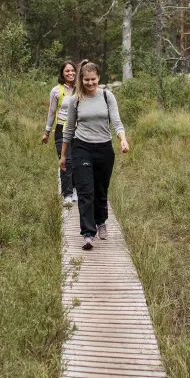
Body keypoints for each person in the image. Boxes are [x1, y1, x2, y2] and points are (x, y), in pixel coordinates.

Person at [60, 60, 129, 250]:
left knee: (100, 189)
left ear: (98, 78)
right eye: (86, 80)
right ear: (81, 79)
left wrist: (122, 139)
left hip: (104, 149)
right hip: (82, 148)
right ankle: (88, 233)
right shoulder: (76, 100)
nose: (90, 83)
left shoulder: (107, 96)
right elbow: (69, 129)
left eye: (93, 79)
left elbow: (116, 121)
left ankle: (101, 222)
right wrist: (64, 155)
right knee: (85, 191)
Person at [42, 61, 77, 206]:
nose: (70, 73)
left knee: (77, 160)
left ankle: (75, 189)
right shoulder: (56, 91)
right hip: (62, 129)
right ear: (62, 73)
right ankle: (67, 193)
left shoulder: (81, 88)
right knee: (66, 161)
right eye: (67, 71)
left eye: (72, 70)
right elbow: (51, 112)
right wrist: (47, 132)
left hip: (79, 130)